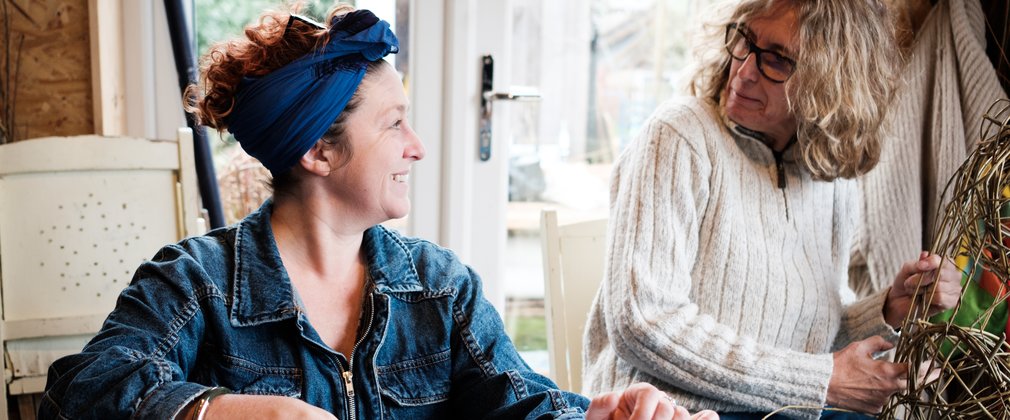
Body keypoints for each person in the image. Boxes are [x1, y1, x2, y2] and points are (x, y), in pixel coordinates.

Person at [39, 4, 719, 420]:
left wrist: (603, 415)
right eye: (394, 123)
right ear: (317, 152)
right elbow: (78, 394)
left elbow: (522, 404)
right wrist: (227, 412)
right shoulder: (196, 282)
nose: (417, 147)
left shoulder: (439, 287)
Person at [582, 0, 963, 419]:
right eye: (744, 40)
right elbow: (643, 323)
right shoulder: (679, 136)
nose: (744, 70)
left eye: (777, 60)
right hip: (668, 411)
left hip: (775, 409)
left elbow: (809, 339)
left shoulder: (832, 181)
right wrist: (822, 382)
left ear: (831, 83)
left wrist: (889, 308)